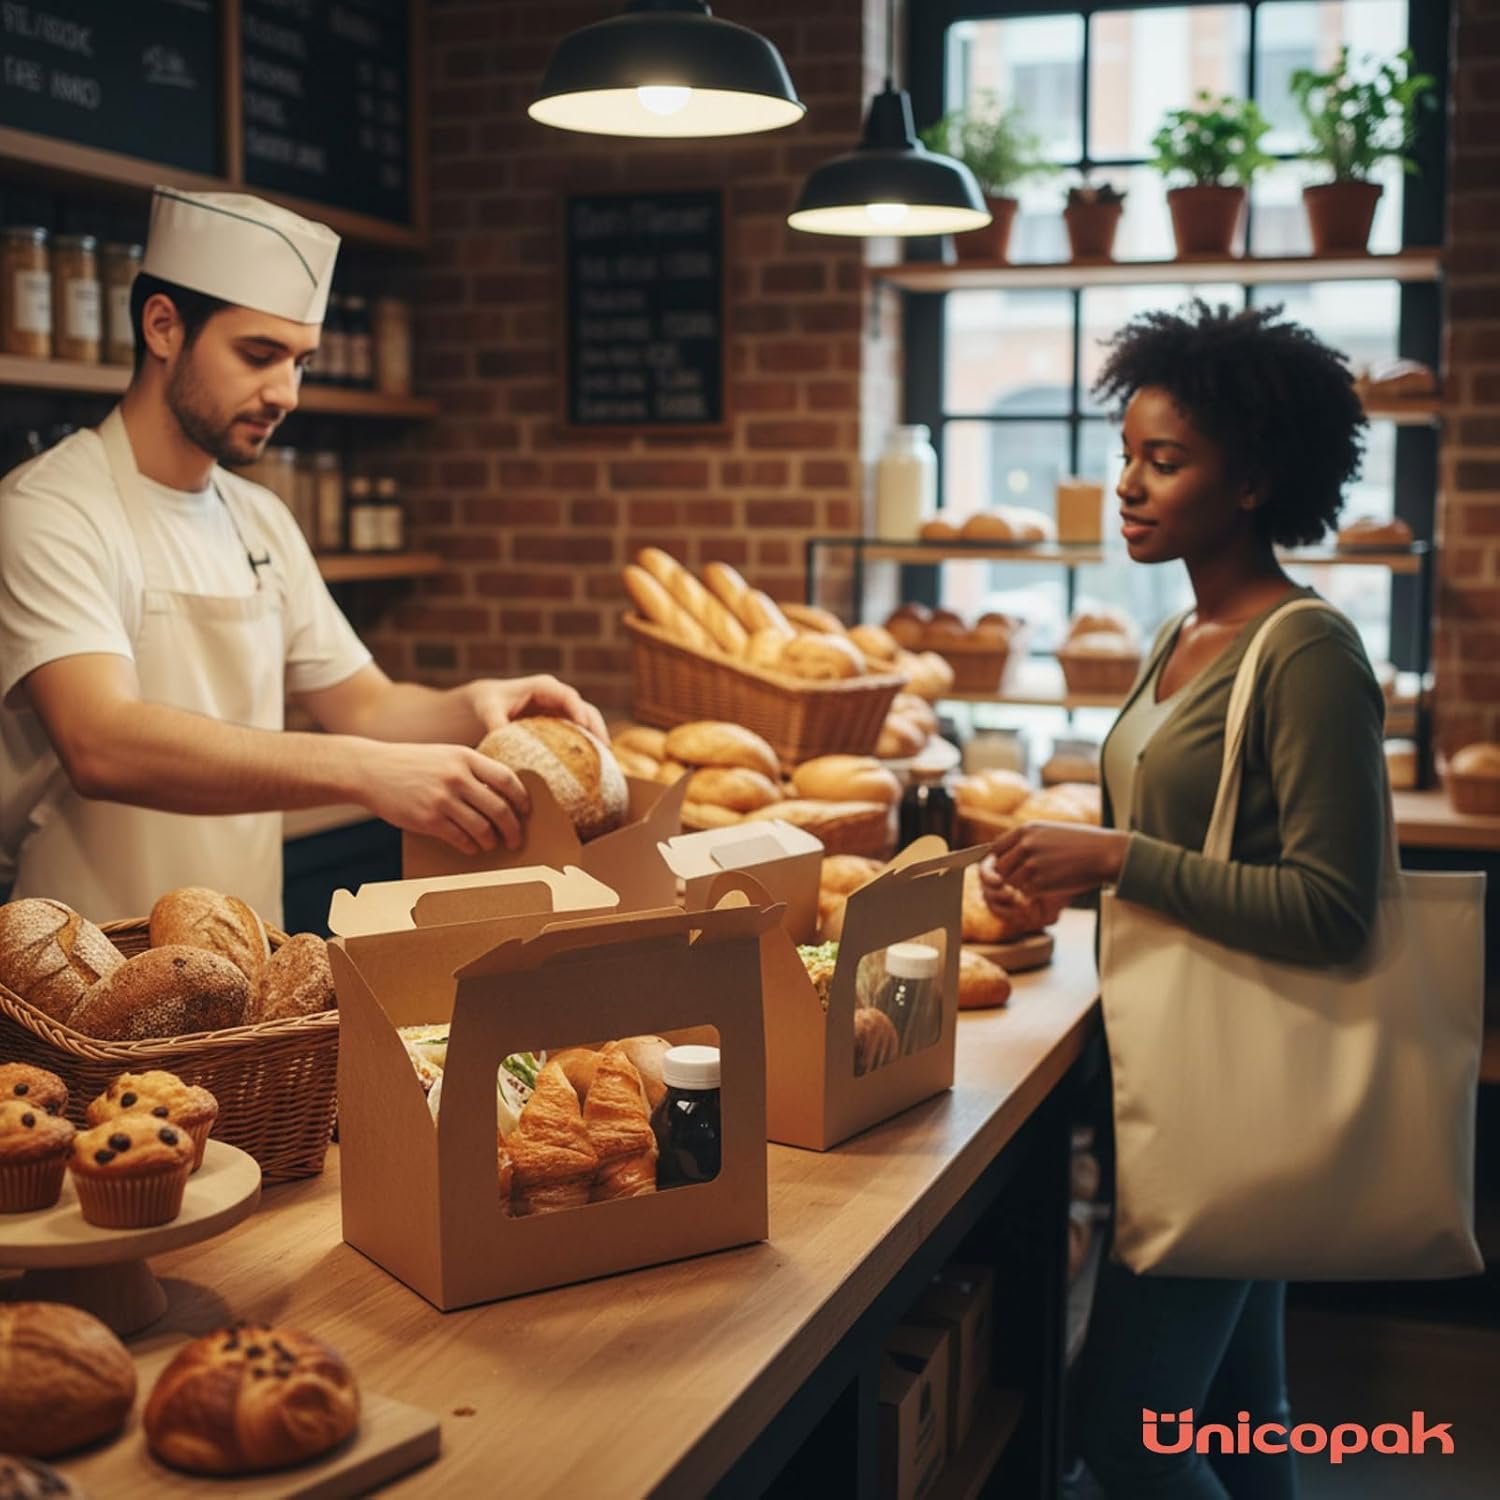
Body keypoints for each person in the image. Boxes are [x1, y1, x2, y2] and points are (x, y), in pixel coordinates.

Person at [983, 301, 1386, 1498]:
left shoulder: (1305, 651)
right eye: (1128, 455)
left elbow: (1334, 906)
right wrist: (1074, 864)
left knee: (1126, 1438)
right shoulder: (1183, 633)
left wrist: (1112, 863)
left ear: (1256, 477)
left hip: (1235, 1088)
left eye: (1167, 461)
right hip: (1179, 1063)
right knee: (1239, 1415)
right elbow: (1174, 837)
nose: (1129, 487)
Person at [0, 188, 606, 926]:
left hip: (248, 960)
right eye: (259, 355)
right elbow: (102, 742)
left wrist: (476, 705)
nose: (286, 392)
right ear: (163, 327)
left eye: (300, 361)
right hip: (80, 969)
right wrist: (360, 772)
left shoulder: (260, 518)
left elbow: (367, 704)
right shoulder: (50, 508)